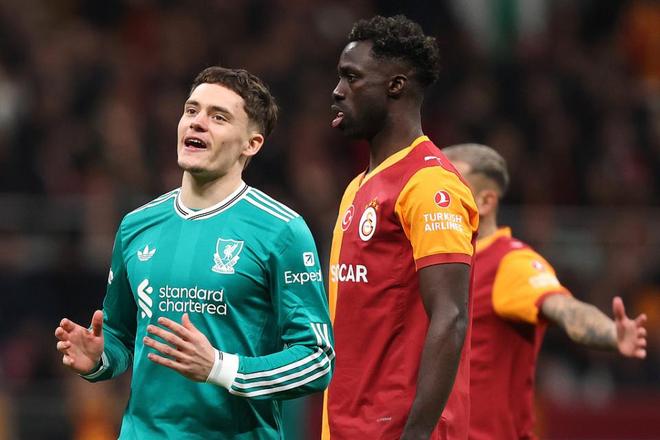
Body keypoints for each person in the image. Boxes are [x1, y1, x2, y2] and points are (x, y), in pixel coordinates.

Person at [54, 66, 334, 439]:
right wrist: (98, 359)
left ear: (251, 144)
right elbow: (120, 334)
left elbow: (316, 360)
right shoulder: (137, 225)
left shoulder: (282, 231)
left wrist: (220, 367)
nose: (198, 122)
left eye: (219, 117)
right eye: (192, 110)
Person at [323, 15, 479, 440]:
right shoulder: (358, 187)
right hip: (348, 425)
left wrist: (417, 434)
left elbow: (451, 316)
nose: (337, 91)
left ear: (395, 86)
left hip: (398, 429)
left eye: (351, 77)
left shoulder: (430, 185)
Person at [442, 143, 648, 440]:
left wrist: (610, 333)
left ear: (485, 202)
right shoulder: (436, 263)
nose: (437, 197)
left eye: (450, 187)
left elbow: (565, 309)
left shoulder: (510, 264)